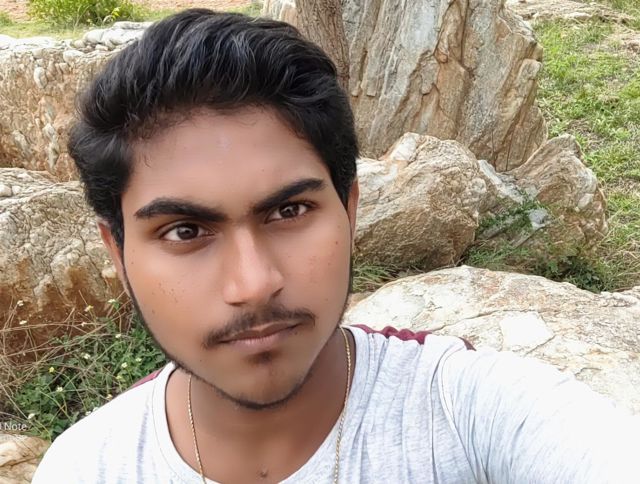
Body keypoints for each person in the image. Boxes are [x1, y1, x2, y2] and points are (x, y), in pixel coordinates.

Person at [32, 8, 638, 484]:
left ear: (349, 211)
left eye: (289, 211)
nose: (253, 284)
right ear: (118, 254)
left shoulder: (471, 412)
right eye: (185, 231)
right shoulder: (88, 468)